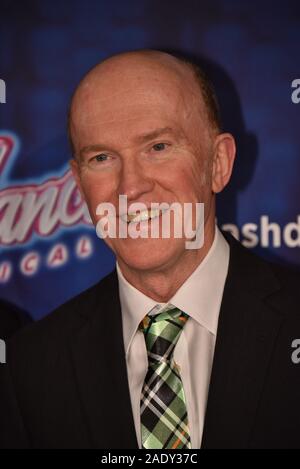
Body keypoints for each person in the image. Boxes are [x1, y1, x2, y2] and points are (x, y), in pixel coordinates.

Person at [1, 50, 300, 449]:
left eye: (158, 147)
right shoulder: (28, 367)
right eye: (102, 157)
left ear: (218, 163)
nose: (130, 188)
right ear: (78, 182)